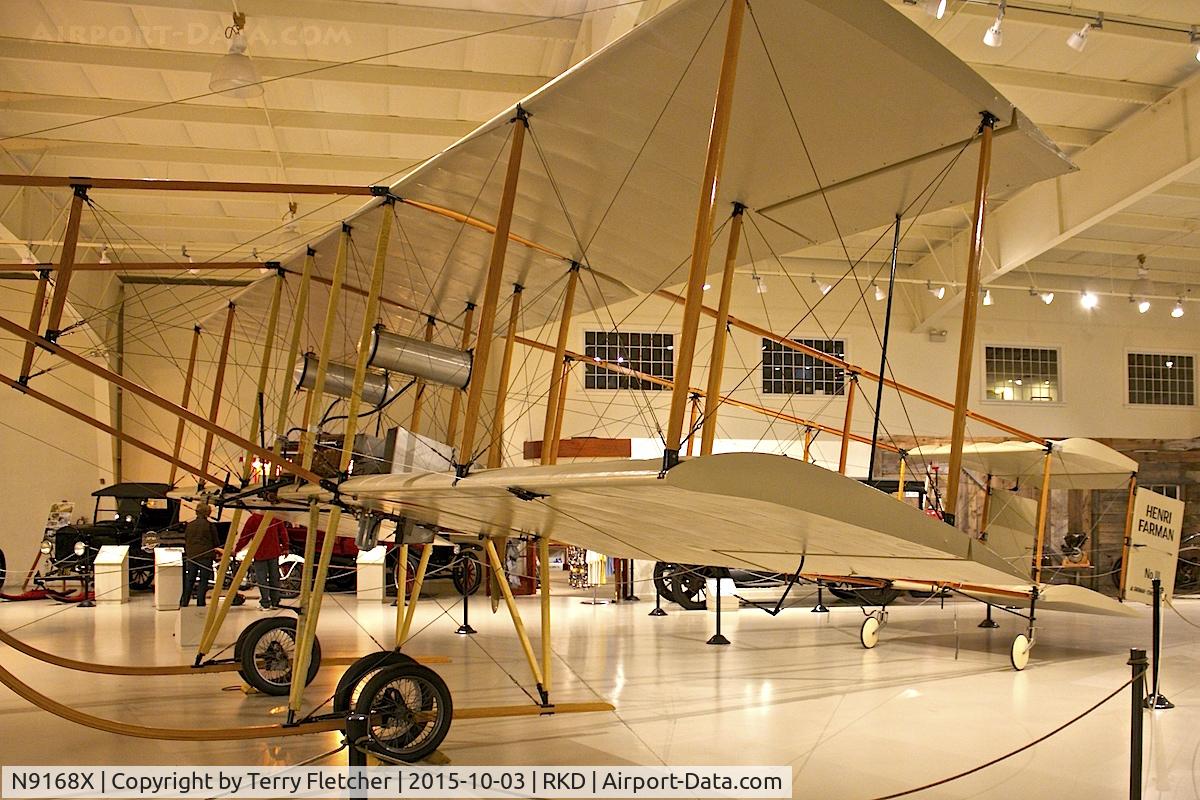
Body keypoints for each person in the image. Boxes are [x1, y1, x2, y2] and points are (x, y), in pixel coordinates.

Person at [235, 510, 290, 610]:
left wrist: (237, 549)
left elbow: (245, 537)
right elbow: (283, 532)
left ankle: (265, 603)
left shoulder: (253, 519)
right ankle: (275, 602)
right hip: (274, 552)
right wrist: (286, 547)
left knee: (262, 579)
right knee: (274, 577)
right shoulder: (274, 516)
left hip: (259, 553)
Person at [180, 503, 222, 607]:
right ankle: (200, 602)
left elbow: (187, 539)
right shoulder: (210, 525)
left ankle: (184, 602)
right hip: (205, 556)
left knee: (190, 579)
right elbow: (216, 542)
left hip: (192, 556)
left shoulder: (190, 525)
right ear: (207, 512)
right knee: (204, 580)